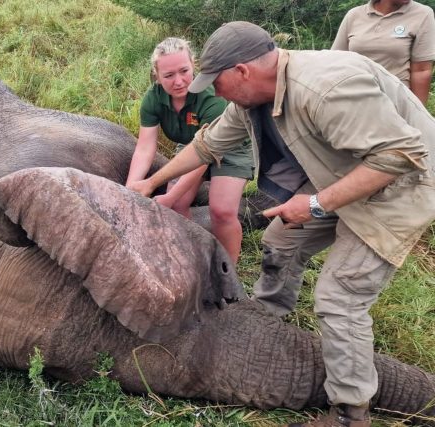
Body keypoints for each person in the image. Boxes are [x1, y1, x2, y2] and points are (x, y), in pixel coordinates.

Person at [129, 21, 435, 426]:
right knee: (280, 241)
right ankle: (268, 313)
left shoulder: (325, 89)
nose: (211, 92)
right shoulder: (254, 97)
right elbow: (208, 144)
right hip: (345, 173)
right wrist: (149, 182)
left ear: (242, 71)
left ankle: (349, 412)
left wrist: (315, 203)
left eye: (215, 82)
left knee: (339, 297)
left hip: (404, 185)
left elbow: (400, 156)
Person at [125, 37, 254, 264]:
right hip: (192, 145)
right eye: (168, 75)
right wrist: (130, 189)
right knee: (177, 204)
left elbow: (208, 151)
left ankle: (228, 274)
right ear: (156, 75)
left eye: (184, 71)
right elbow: (145, 147)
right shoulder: (153, 99)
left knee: (221, 211)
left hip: (230, 148)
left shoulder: (211, 98)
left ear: (193, 65)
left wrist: (169, 195)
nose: (179, 81)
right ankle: (190, 258)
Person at [332, 0, 435, 105]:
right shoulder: (354, 15)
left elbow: (421, 71)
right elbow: (335, 61)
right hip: (354, 99)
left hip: (394, 102)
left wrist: (417, 114)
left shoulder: (422, 14)